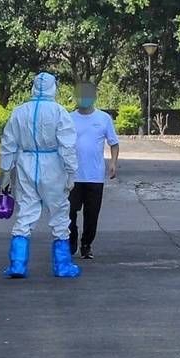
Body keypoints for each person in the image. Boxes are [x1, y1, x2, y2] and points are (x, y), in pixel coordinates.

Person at [0, 72, 81, 279]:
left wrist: (6, 173)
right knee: (60, 213)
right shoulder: (59, 112)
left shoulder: (19, 112)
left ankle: (17, 264)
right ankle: (62, 265)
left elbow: (8, 144)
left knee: (26, 211)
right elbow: (68, 146)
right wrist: (71, 173)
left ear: (33, 88)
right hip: (53, 165)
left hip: (26, 164)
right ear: (54, 88)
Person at [69, 82, 120, 259]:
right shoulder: (68, 118)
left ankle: (86, 244)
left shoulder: (104, 118)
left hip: (94, 176)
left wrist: (113, 163)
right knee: (69, 212)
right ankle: (71, 238)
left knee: (92, 215)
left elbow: (113, 143)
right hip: (72, 175)